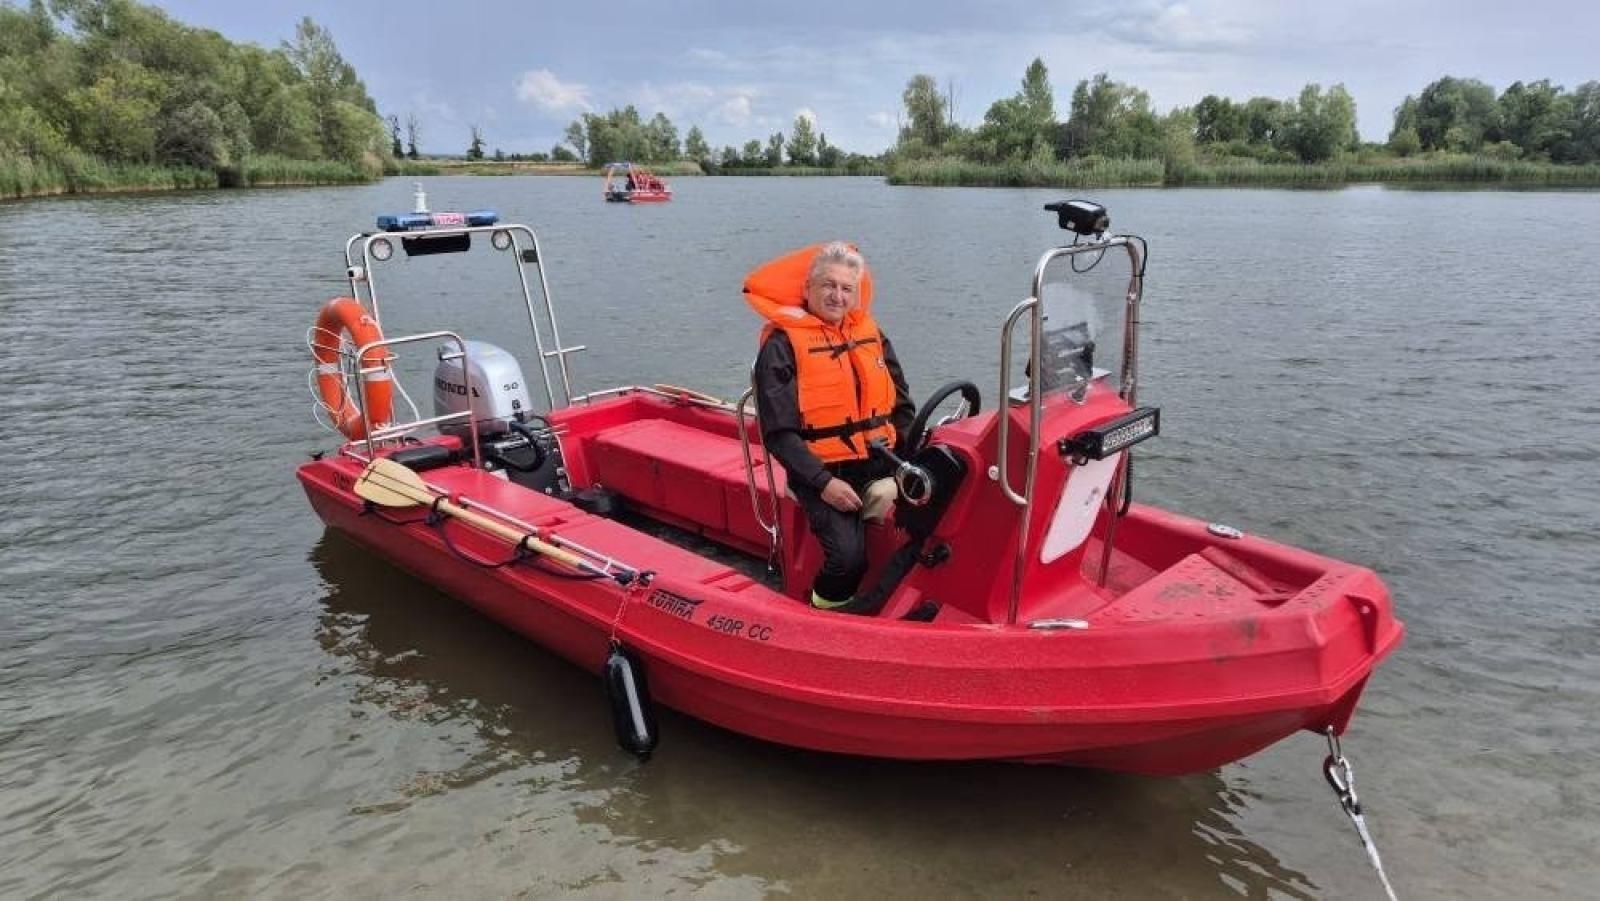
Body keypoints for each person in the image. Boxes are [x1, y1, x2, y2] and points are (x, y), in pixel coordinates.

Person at [745, 242, 915, 612]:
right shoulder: (781, 347)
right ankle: (824, 608)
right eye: (828, 285)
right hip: (821, 471)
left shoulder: (871, 334)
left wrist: (910, 459)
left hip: (880, 459)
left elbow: (902, 406)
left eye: (846, 288)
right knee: (847, 560)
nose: (837, 296)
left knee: (933, 517)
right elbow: (779, 434)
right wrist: (824, 483)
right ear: (808, 289)